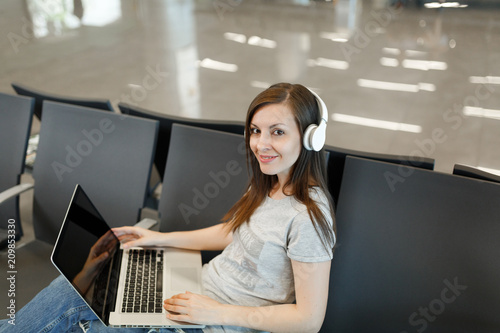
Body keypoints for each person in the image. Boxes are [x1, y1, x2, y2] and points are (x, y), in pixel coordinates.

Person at [0, 83, 336, 333]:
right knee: (75, 288)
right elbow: (235, 232)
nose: (261, 144)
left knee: (97, 320)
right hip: (196, 296)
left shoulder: (307, 216)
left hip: (217, 322)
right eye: (255, 131)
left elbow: (308, 319)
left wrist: (216, 312)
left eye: (277, 132)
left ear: (310, 138)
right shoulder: (269, 181)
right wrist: (156, 239)